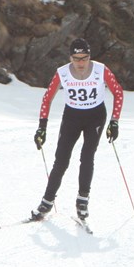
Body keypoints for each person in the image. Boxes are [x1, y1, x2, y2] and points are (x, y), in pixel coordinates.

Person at [31, 37, 123, 221]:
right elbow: (47, 98)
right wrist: (42, 127)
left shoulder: (101, 70)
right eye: (76, 59)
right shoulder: (62, 73)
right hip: (72, 117)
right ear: (70, 58)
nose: (80, 63)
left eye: (84, 58)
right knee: (61, 160)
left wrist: (114, 121)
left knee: (87, 156)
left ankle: (82, 200)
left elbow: (118, 92)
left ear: (90, 56)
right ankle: (47, 201)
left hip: (95, 117)